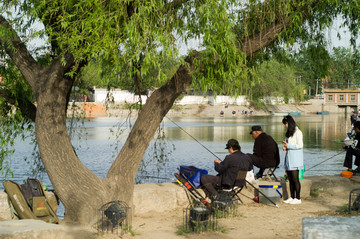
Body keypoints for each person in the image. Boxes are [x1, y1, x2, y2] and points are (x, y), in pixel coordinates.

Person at [282, 115, 304, 205]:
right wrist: (285, 147)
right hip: (289, 159)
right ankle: (292, 197)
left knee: (295, 179)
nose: (285, 126)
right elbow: (289, 145)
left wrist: (289, 146)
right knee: (290, 179)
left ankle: (298, 198)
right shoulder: (289, 133)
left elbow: (300, 145)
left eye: (286, 124)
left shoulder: (298, 132)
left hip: (295, 159)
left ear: (289, 123)